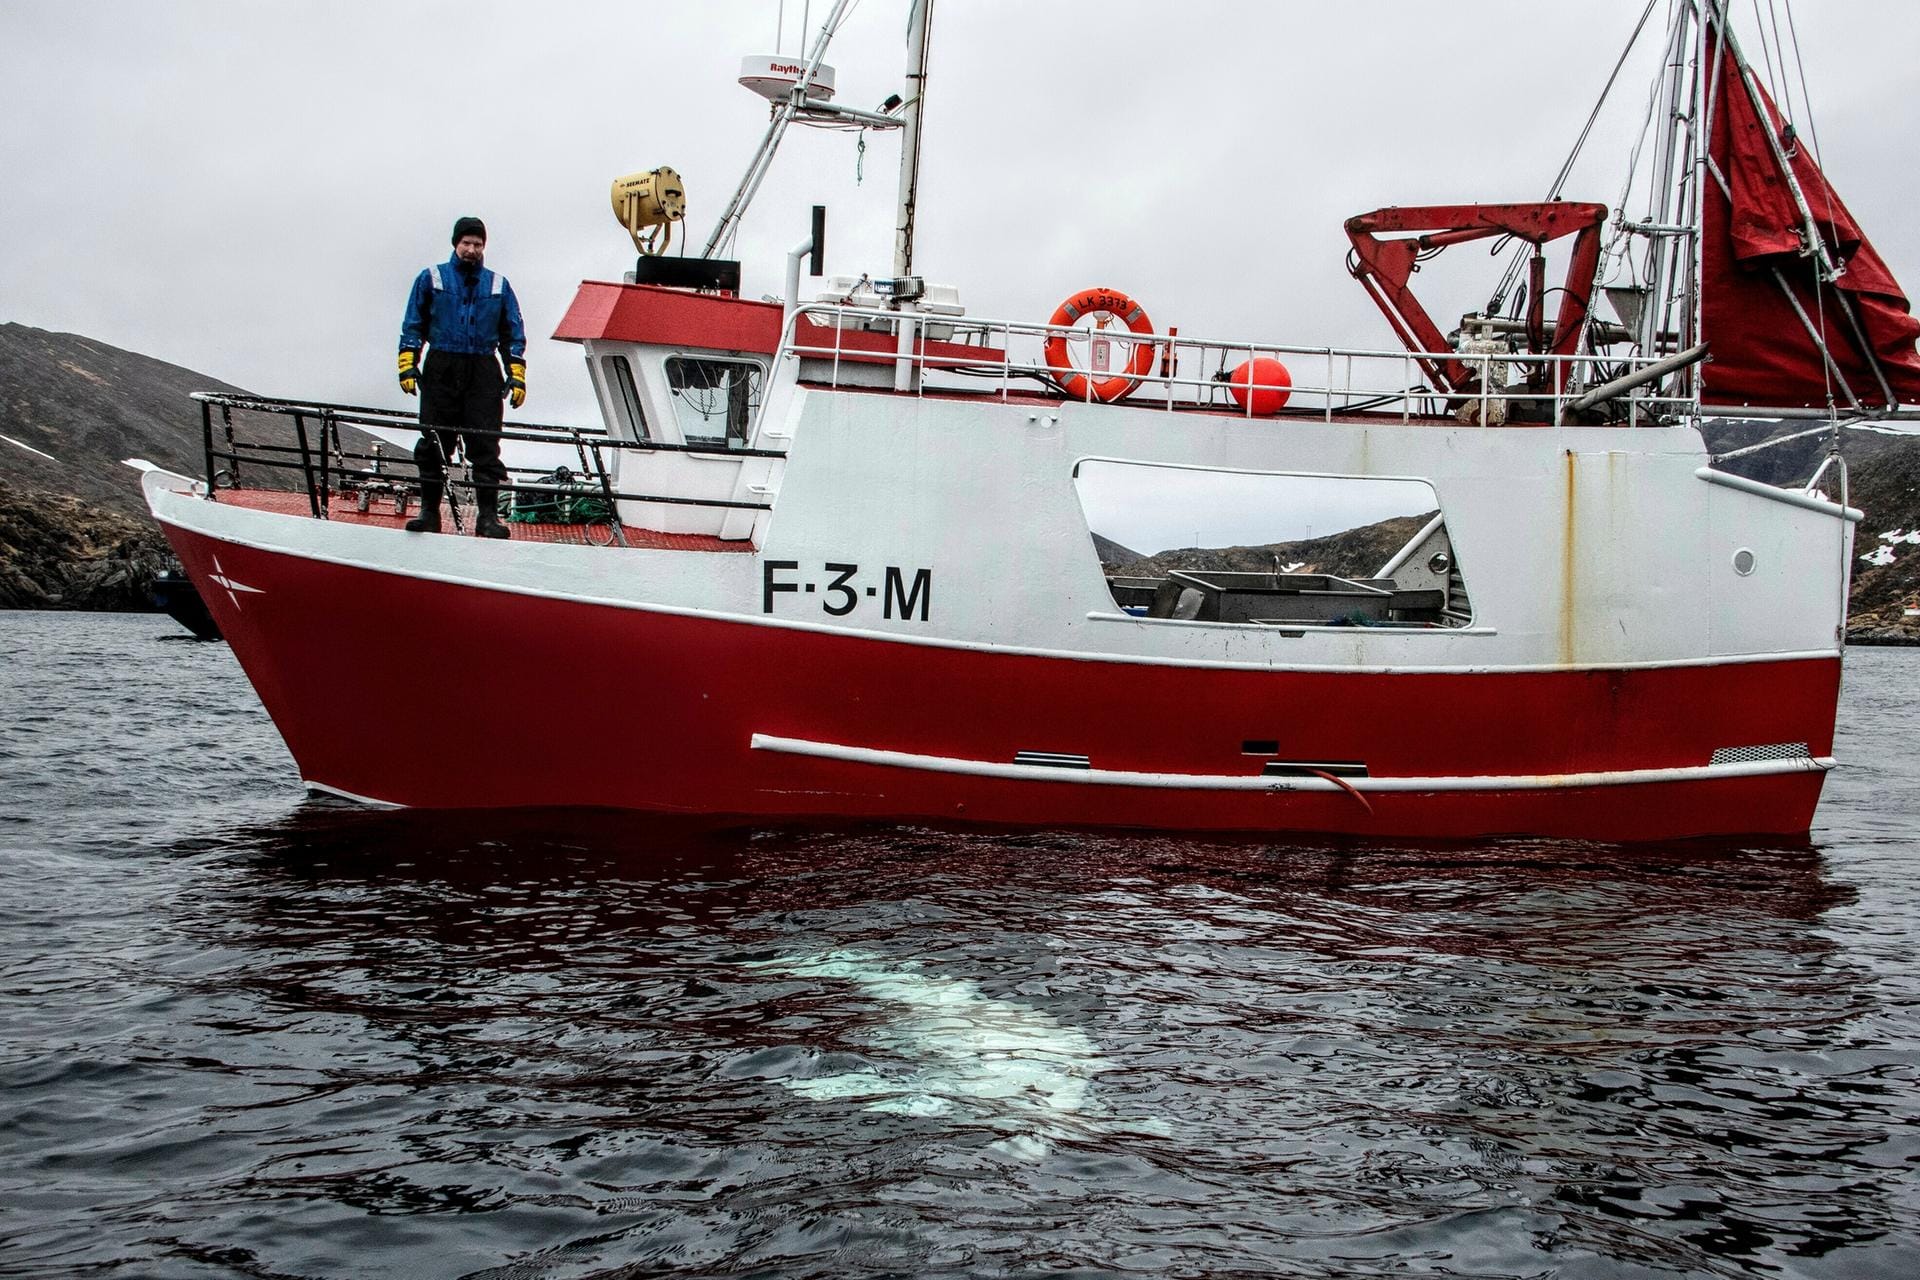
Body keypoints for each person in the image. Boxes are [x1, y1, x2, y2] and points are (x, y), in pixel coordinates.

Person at [397, 216, 527, 537]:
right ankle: (429, 513)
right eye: (466, 243)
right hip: (441, 365)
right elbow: (414, 323)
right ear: (456, 244)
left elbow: (512, 332)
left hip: (483, 369)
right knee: (434, 443)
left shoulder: (498, 285)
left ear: (484, 247)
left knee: (485, 444)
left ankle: (487, 518)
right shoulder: (432, 278)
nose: (471, 249)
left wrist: (517, 373)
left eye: (477, 244)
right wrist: (407, 364)